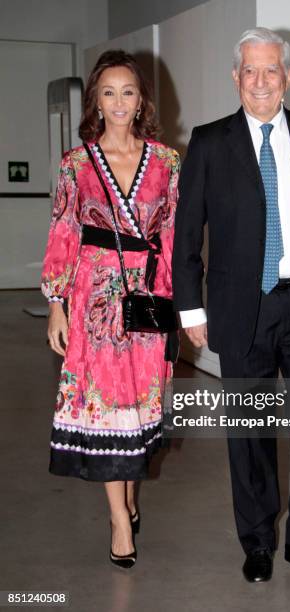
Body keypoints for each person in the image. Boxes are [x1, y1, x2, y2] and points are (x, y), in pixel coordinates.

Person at [172, 28, 290, 583]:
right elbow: (187, 236)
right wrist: (192, 310)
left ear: (288, 77)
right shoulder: (209, 143)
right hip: (242, 307)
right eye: (250, 71)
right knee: (249, 433)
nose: (260, 82)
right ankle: (256, 541)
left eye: (271, 70)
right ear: (236, 78)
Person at [42, 50, 179, 568]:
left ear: (140, 98)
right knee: (107, 409)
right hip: (93, 301)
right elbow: (62, 233)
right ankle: (120, 520)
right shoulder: (76, 165)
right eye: (108, 93)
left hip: (147, 300)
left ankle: (128, 501)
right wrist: (57, 304)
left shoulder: (167, 162)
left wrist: (173, 306)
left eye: (128, 92)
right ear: (95, 102)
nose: (119, 102)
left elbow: (173, 234)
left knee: (136, 409)